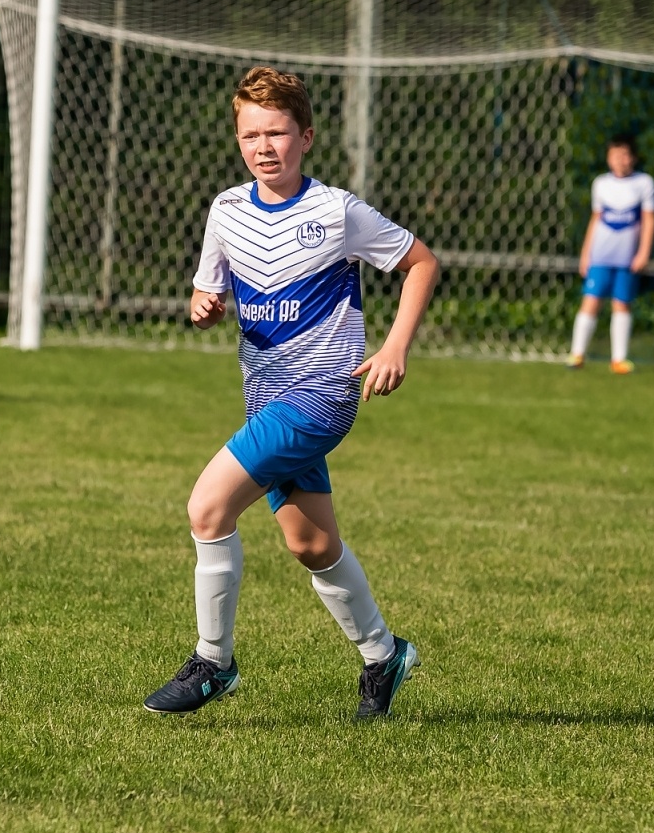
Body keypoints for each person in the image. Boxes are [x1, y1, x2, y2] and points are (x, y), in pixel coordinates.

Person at [143, 66, 441, 720]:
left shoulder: (335, 211)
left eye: (277, 132)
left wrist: (394, 346)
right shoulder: (225, 210)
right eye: (250, 134)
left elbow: (422, 262)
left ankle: (213, 662)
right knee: (311, 544)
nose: (263, 146)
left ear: (305, 136)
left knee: (207, 506)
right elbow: (208, 285)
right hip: (266, 398)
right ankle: (383, 655)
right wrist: (204, 303)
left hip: (323, 396)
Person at [568, 134, 654, 373]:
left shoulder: (644, 184)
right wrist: (586, 254)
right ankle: (577, 354)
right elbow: (596, 219)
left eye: (625, 155)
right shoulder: (601, 184)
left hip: (626, 257)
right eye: (615, 155)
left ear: (634, 158)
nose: (620, 160)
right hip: (601, 255)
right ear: (608, 158)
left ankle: (618, 359)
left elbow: (649, 220)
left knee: (622, 304)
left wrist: (644, 252)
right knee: (591, 300)